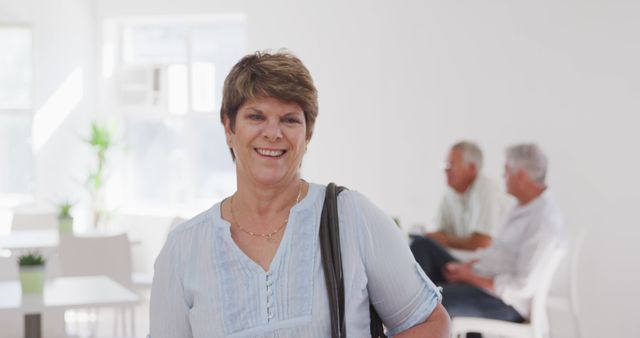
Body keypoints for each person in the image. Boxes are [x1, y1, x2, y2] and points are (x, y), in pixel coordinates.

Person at [150, 50, 450, 337]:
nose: (273, 133)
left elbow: (432, 324)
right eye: (256, 117)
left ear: (307, 134)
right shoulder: (183, 250)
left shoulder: (352, 217)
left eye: (289, 119)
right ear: (228, 128)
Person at [411, 143, 566, 328]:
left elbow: (522, 287)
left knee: (423, 301)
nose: (503, 176)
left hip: (503, 302)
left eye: (506, 171)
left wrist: (470, 276)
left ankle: (416, 301)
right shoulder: (523, 207)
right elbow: (495, 252)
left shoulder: (543, 221)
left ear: (521, 176)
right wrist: (468, 267)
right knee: (422, 245)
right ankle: (415, 296)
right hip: (480, 279)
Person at [425, 141, 511, 252]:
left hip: (483, 265)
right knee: (420, 245)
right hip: (459, 261)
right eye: (445, 165)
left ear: (472, 168)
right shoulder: (450, 192)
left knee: (421, 247)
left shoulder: (486, 188)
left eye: (450, 165)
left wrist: (446, 240)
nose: (445, 170)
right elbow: (439, 232)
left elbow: (482, 243)